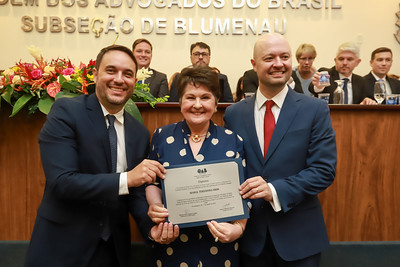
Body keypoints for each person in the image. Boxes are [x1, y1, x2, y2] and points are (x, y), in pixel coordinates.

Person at [24, 45, 166, 267]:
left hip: (113, 252)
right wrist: (127, 178)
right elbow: (62, 182)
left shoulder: (139, 133)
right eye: (111, 70)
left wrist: (152, 228)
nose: (119, 79)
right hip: (61, 248)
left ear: (135, 81)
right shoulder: (66, 112)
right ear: (96, 74)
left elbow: (136, 193)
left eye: (128, 74)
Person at [224, 33, 337, 266]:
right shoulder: (234, 114)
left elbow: (323, 170)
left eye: (284, 57)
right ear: (254, 65)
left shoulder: (315, 110)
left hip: (300, 240)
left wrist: (273, 190)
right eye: (269, 58)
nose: (278, 64)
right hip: (249, 240)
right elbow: (229, 171)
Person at [146, 66, 247, 266]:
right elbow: (152, 182)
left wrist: (239, 228)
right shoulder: (162, 136)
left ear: (217, 103)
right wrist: (155, 206)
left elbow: (244, 191)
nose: (197, 105)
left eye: (205, 97)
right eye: (190, 97)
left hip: (220, 243)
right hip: (173, 242)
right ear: (181, 102)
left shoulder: (233, 140)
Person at [310, 42, 374, 104]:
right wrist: (318, 87)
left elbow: (366, 100)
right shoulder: (326, 74)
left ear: (357, 62)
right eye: (341, 59)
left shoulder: (361, 81)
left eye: (349, 59)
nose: (344, 63)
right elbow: (313, 89)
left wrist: (368, 101)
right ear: (335, 60)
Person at [169, 42, 234, 102]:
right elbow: (172, 104)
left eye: (204, 54)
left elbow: (228, 103)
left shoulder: (220, 78)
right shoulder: (179, 78)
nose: (200, 57)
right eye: (196, 54)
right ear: (191, 57)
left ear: (209, 58)